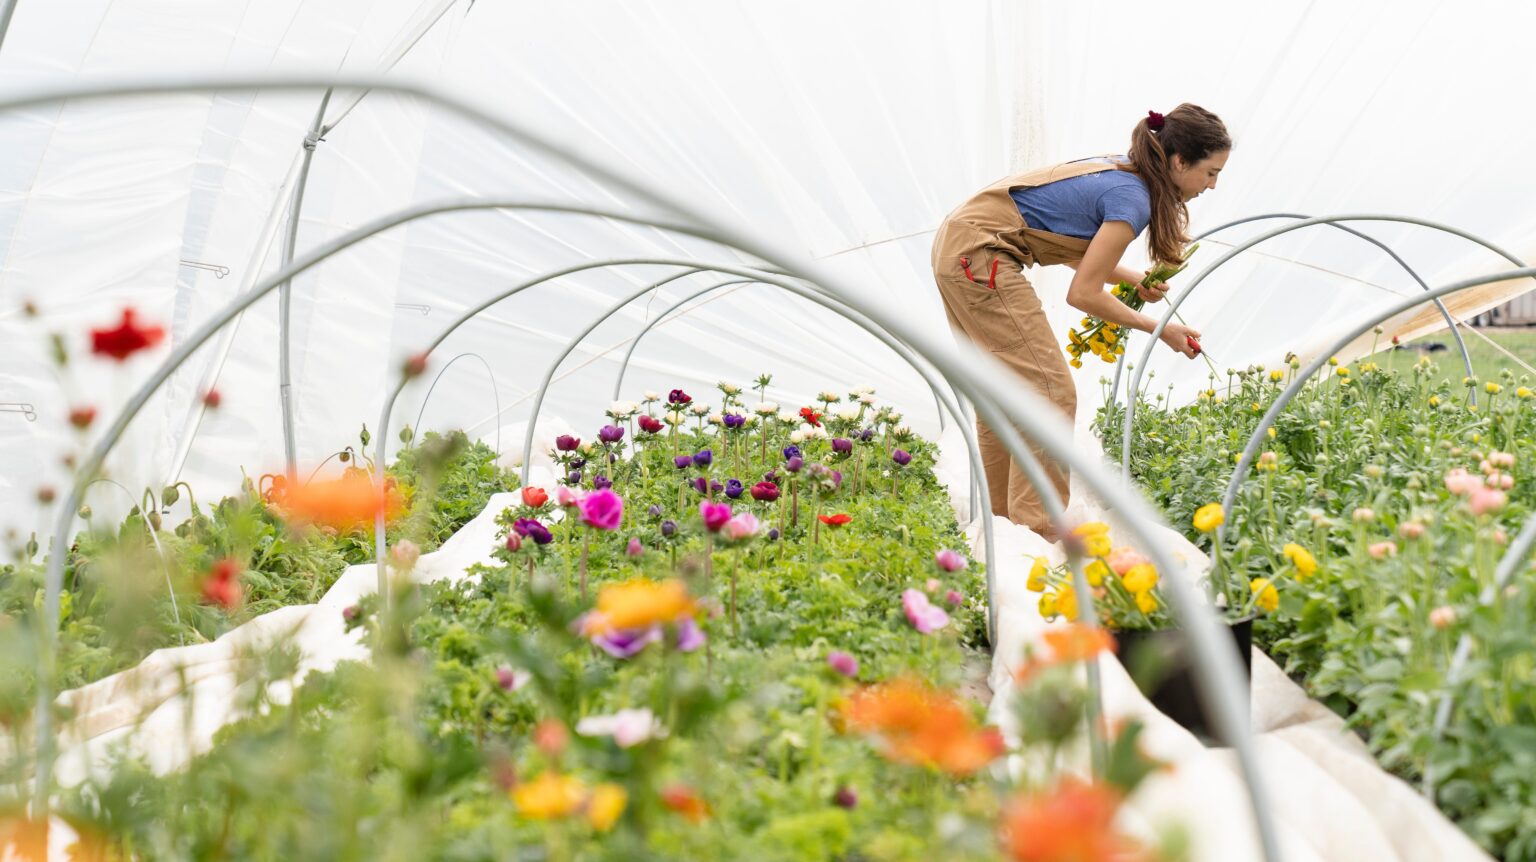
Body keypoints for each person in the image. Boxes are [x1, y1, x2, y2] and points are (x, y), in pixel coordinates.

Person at [931, 103, 1231, 542]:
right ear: (1180, 162)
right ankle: (1039, 528)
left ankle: (1001, 531)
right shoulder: (1134, 197)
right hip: (981, 256)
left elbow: (1069, 246)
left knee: (1001, 395)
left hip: (961, 248)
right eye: (1210, 172)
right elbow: (1084, 294)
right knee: (1051, 392)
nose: (1213, 185)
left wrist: (1131, 277)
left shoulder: (1122, 171)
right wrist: (1160, 329)